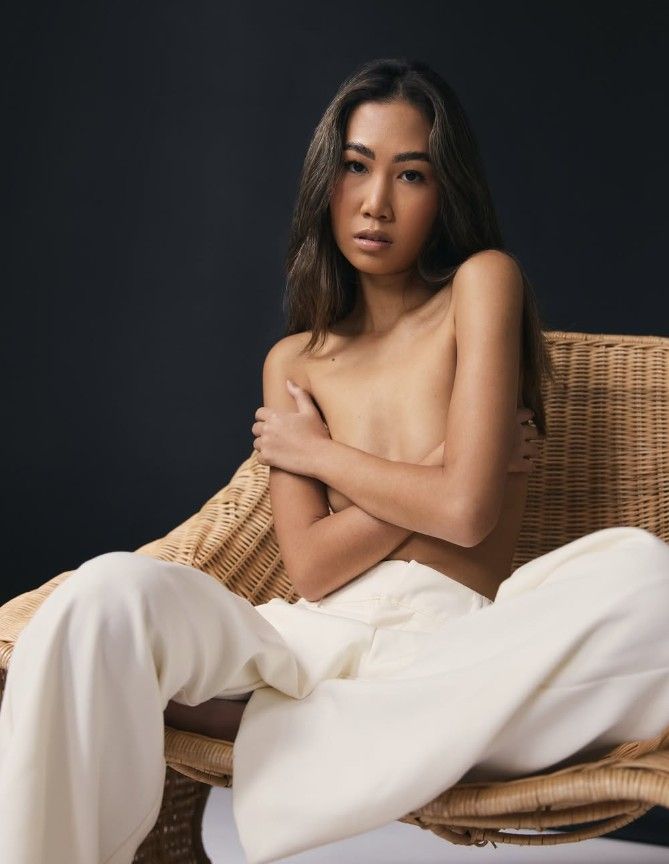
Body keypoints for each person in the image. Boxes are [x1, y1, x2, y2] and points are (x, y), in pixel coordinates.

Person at [1, 57, 668, 864]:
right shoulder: (295, 362)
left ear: (445, 193)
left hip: (455, 649)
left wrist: (322, 454)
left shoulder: (481, 285)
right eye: (355, 166)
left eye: (410, 175)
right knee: (103, 593)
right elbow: (314, 568)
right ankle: (314, 730)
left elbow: (466, 515)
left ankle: (265, 728)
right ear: (327, 178)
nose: (375, 201)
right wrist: (445, 466)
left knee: (646, 580)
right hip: (309, 643)